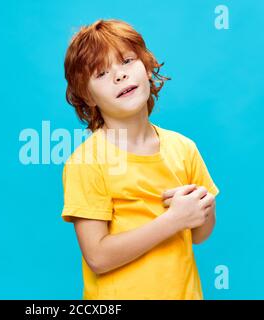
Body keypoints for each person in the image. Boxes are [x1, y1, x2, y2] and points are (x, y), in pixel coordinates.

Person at [61, 19, 220, 299]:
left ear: (147, 67)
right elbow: (97, 256)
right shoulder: (87, 161)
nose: (119, 76)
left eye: (127, 61)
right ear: (88, 97)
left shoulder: (184, 149)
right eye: (101, 74)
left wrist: (201, 208)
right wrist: (173, 220)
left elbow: (199, 234)